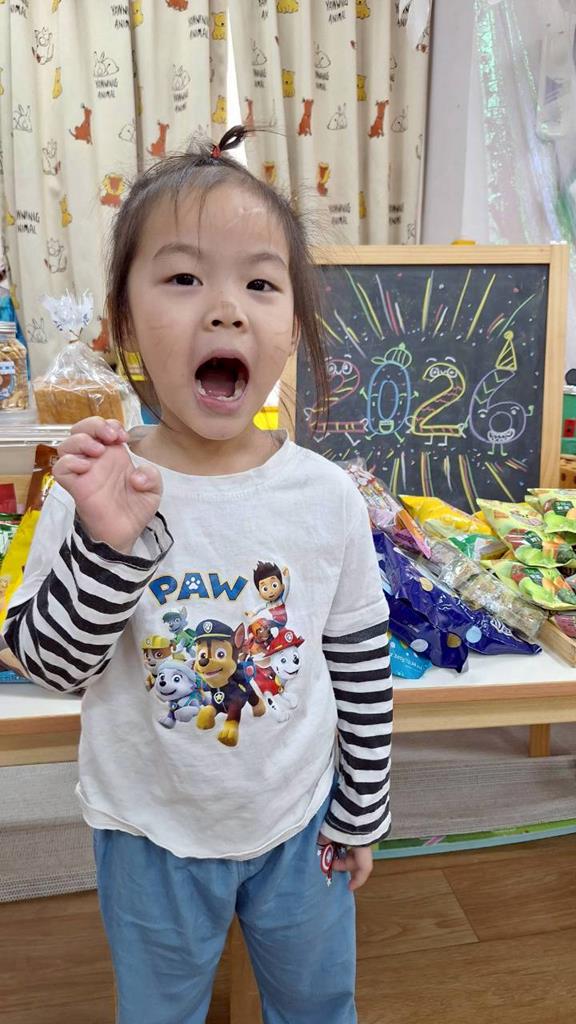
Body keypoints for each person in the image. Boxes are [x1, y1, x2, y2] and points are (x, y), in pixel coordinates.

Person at [4, 126, 392, 1024]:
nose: (225, 311)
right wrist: (109, 546)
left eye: (260, 283)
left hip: (300, 822)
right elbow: (51, 666)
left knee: (318, 1003)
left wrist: (361, 809)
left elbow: (360, 662)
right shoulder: (96, 483)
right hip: (149, 832)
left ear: (293, 326)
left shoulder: (325, 495)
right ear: (124, 321)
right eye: (183, 278)